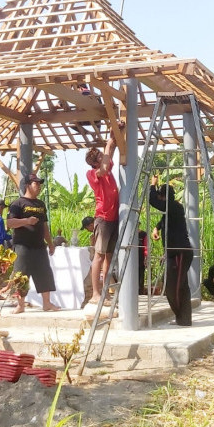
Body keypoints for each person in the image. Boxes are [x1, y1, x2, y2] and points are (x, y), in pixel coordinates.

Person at [7, 173, 59, 313]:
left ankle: (47, 304)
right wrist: (26, 221)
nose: (39, 186)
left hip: (39, 246)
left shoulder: (41, 204)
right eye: (36, 183)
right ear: (28, 185)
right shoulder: (17, 204)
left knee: (44, 273)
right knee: (21, 275)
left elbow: (44, 226)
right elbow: (10, 223)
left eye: (40, 184)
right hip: (22, 246)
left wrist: (50, 243)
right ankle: (21, 305)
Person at [85, 123, 125, 304]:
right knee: (99, 255)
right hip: (102, 218)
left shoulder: (107, 170)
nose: (104, 159)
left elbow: (111, 152)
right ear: (95, 162)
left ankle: (106, 292)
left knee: (109, 256)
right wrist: (109, 142)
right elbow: (106, 159)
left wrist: (115, 134)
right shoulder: (93, 173)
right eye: (100, 158)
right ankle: (95, 293)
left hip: (114, 217)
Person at [149, 175, 193, 326]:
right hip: (174, 252)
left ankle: (183, 318)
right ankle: (183, 319)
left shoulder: (174, 206)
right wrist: (157, 227)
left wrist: (152, 186)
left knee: (175, 287)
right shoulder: (173, 208)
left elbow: (152, 201)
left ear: (163, 197)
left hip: (180, 252)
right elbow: (164, 220)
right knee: (177, 285)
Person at [138, 230, 148, 295]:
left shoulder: (143, 234)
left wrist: (146, 257)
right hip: (132, 260)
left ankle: (140, 292)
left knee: (141, 274)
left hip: (141, 258)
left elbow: (146, 246)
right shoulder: (128, 233)